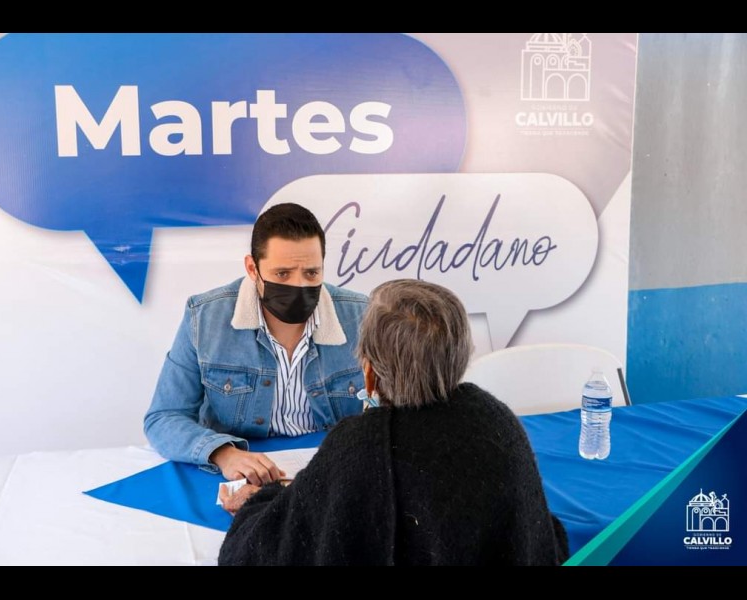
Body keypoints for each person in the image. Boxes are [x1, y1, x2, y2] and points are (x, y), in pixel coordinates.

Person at [218, 279, 569, 566]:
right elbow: (533, 533)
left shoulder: (360, 444)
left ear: (369, 371)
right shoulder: (497, 418)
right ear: (460, 356)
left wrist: (257, 503)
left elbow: (263, 551)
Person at [144, 203, 368, 485]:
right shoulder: (204, 317)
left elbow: (395, 409)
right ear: (252, 268)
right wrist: (224, 454)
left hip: (334, 473)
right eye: (283, 274)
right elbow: (164, 417)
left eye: (311, 273)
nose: (299, 286)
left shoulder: (363, 316)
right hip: (239, 476)